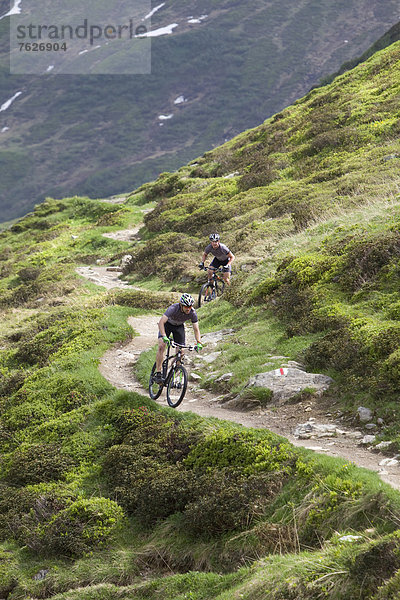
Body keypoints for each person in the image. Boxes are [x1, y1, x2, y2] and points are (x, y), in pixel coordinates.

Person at [154, 293, 203, 383]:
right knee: (161, 346)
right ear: (181, 305)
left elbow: (196, 329)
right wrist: (164, 336)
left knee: (181, 353)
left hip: (179, 327)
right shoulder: (173, 309)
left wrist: (199, 342)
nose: (188, 309)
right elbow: (161, 322)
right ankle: (158, 373)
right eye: (186, 306)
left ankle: (173, 372)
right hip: (167, 325)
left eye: (190, 306)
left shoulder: (192, 313)